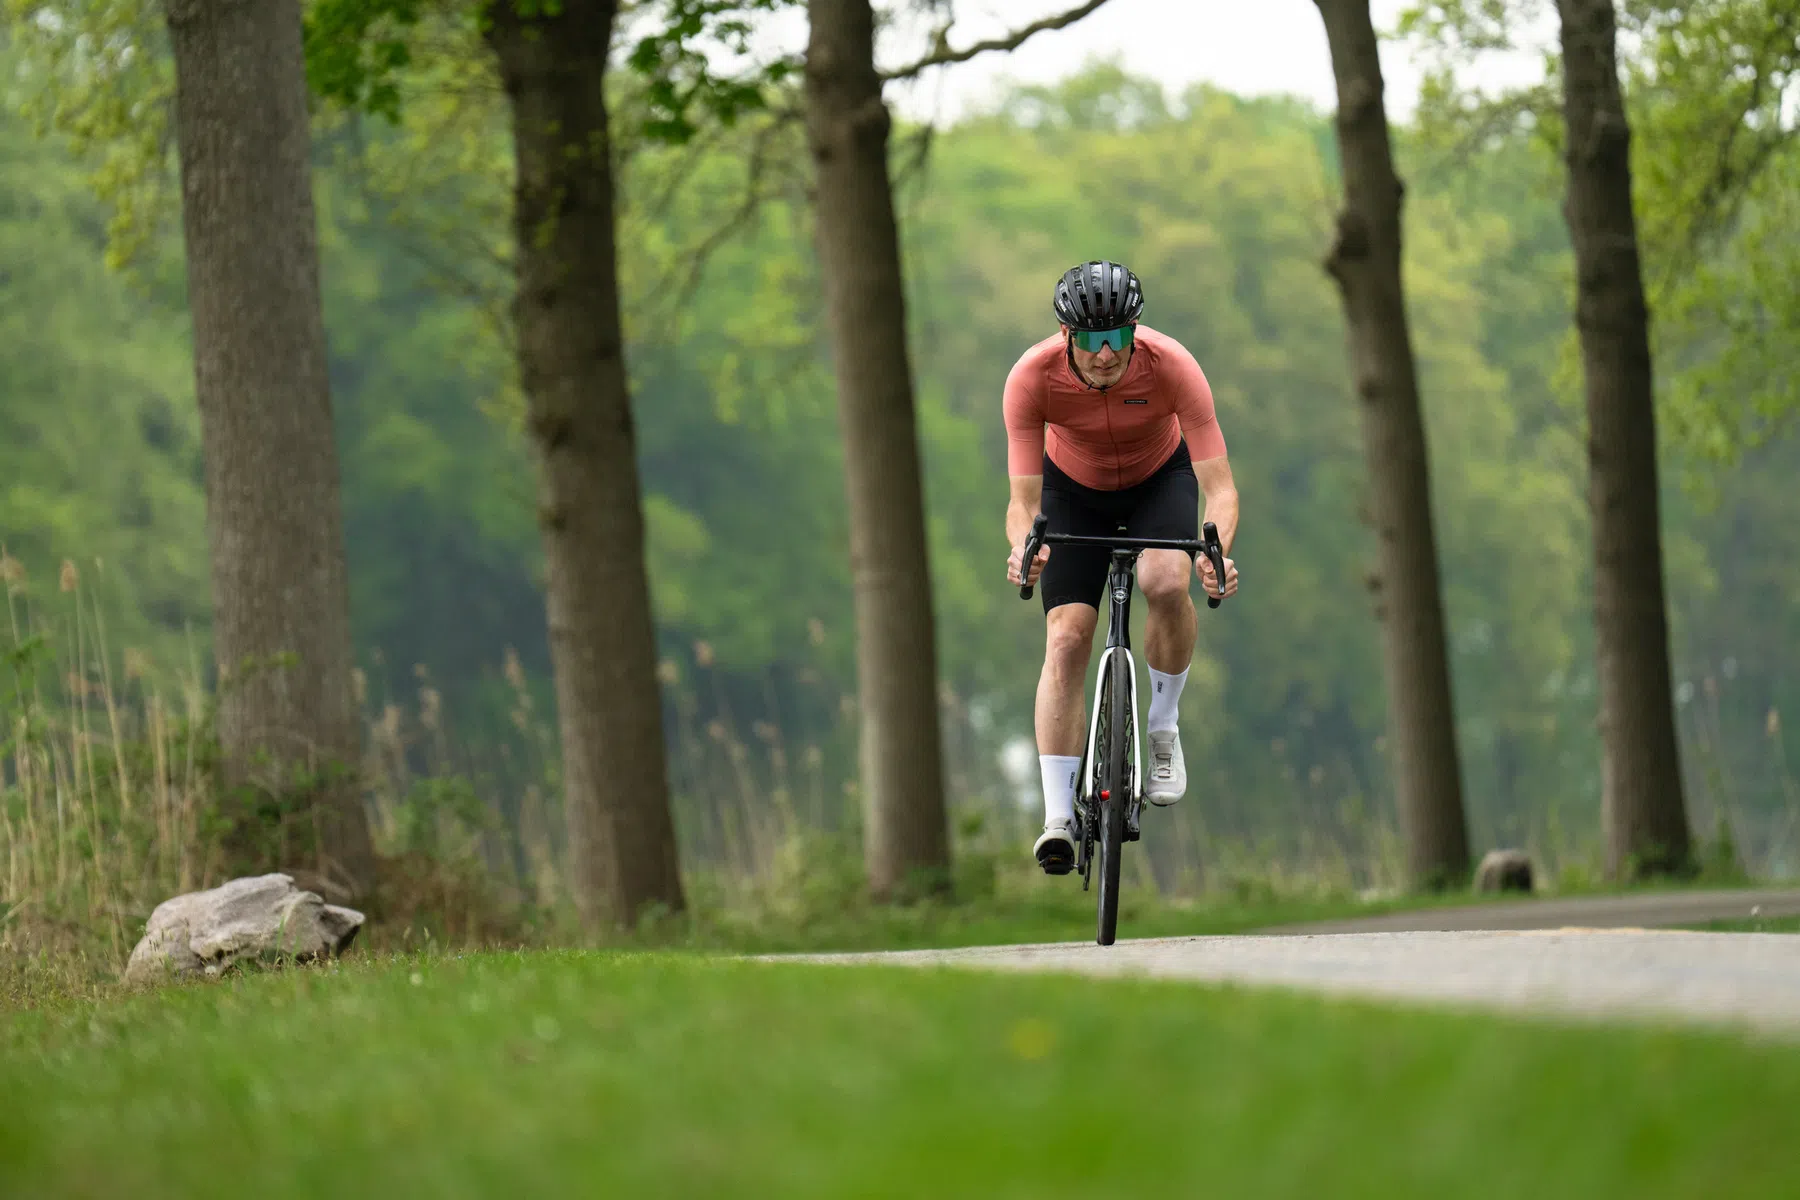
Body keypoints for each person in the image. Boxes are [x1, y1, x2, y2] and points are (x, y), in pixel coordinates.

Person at [1003, 260, 1240, 874]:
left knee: (1166, 580)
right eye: (1090, 340)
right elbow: (1024, 502)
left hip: (1158, 481)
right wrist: (1024, 549)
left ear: (1135, 331)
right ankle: (1057, 817)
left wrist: (1216, 552)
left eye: (1117, 338)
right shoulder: (1031, 377)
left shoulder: (1173, 366)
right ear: (1065, 338)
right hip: (1070, 490)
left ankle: (1161, 726)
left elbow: (1221, 489)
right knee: (1066, 638)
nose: (1105, 355)